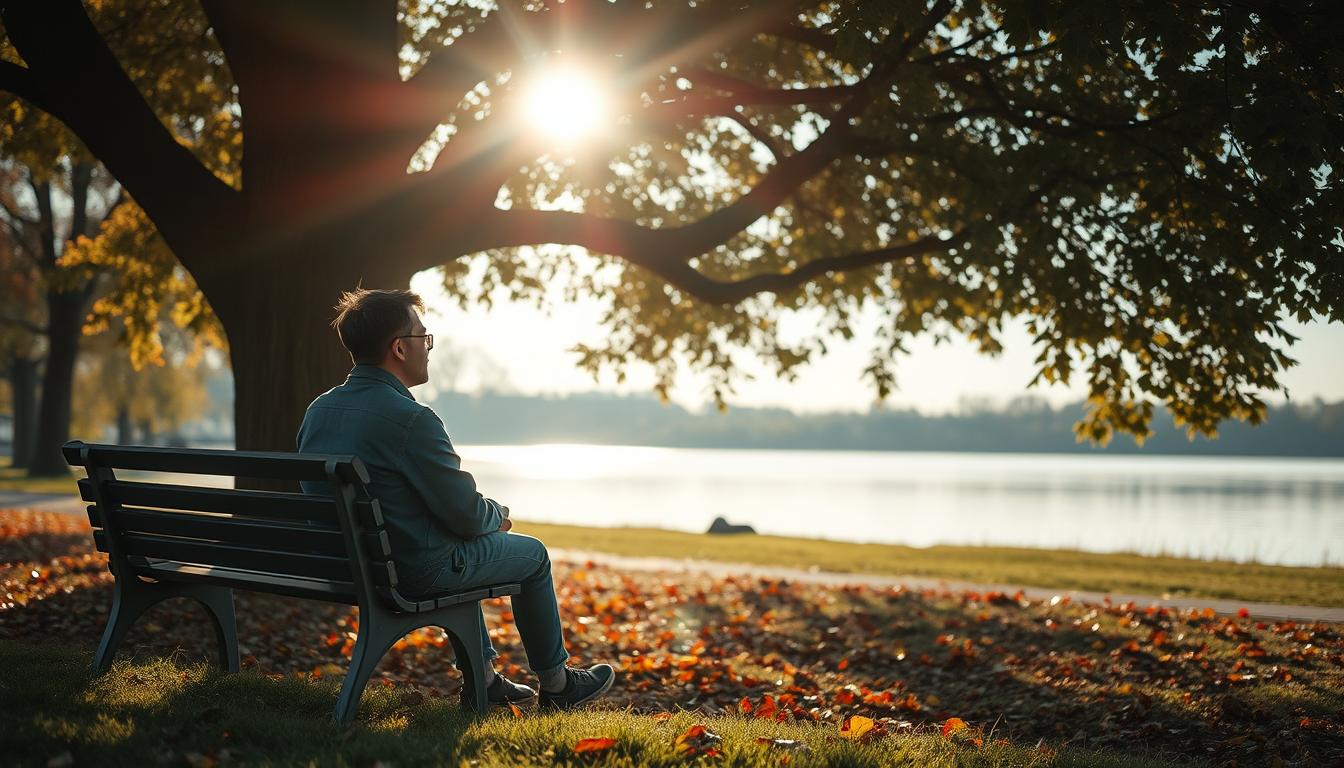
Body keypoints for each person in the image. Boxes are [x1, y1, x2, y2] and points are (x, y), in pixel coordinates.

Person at [296, 287, 616, 710]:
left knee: (459, 543)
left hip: (343, 567)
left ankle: (484, 680)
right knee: (533, 555)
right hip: (408, 573)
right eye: (423, 338)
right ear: (399, 348)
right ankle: (558, 686)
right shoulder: (412, 419)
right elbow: (465, 514)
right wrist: (497, 514)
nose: (428, 348)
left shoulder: (318, 410)